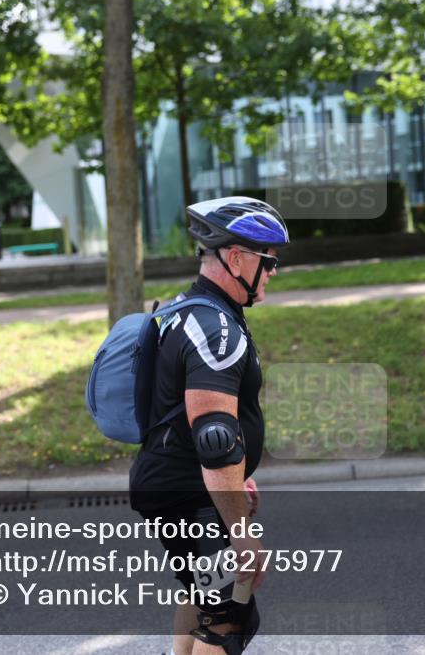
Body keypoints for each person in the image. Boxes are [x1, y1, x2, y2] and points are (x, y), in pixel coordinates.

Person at [129, 196, 290, 655]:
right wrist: (240, 531)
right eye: (269, 260)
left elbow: (185, 417)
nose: (273, 271)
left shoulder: (184, 310)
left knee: (203, 598)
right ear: (236, 257)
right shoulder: (216, 330)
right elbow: (214, 439)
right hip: (192, 497)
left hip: (171, 484)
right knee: (230, 618)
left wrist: (239, 478)